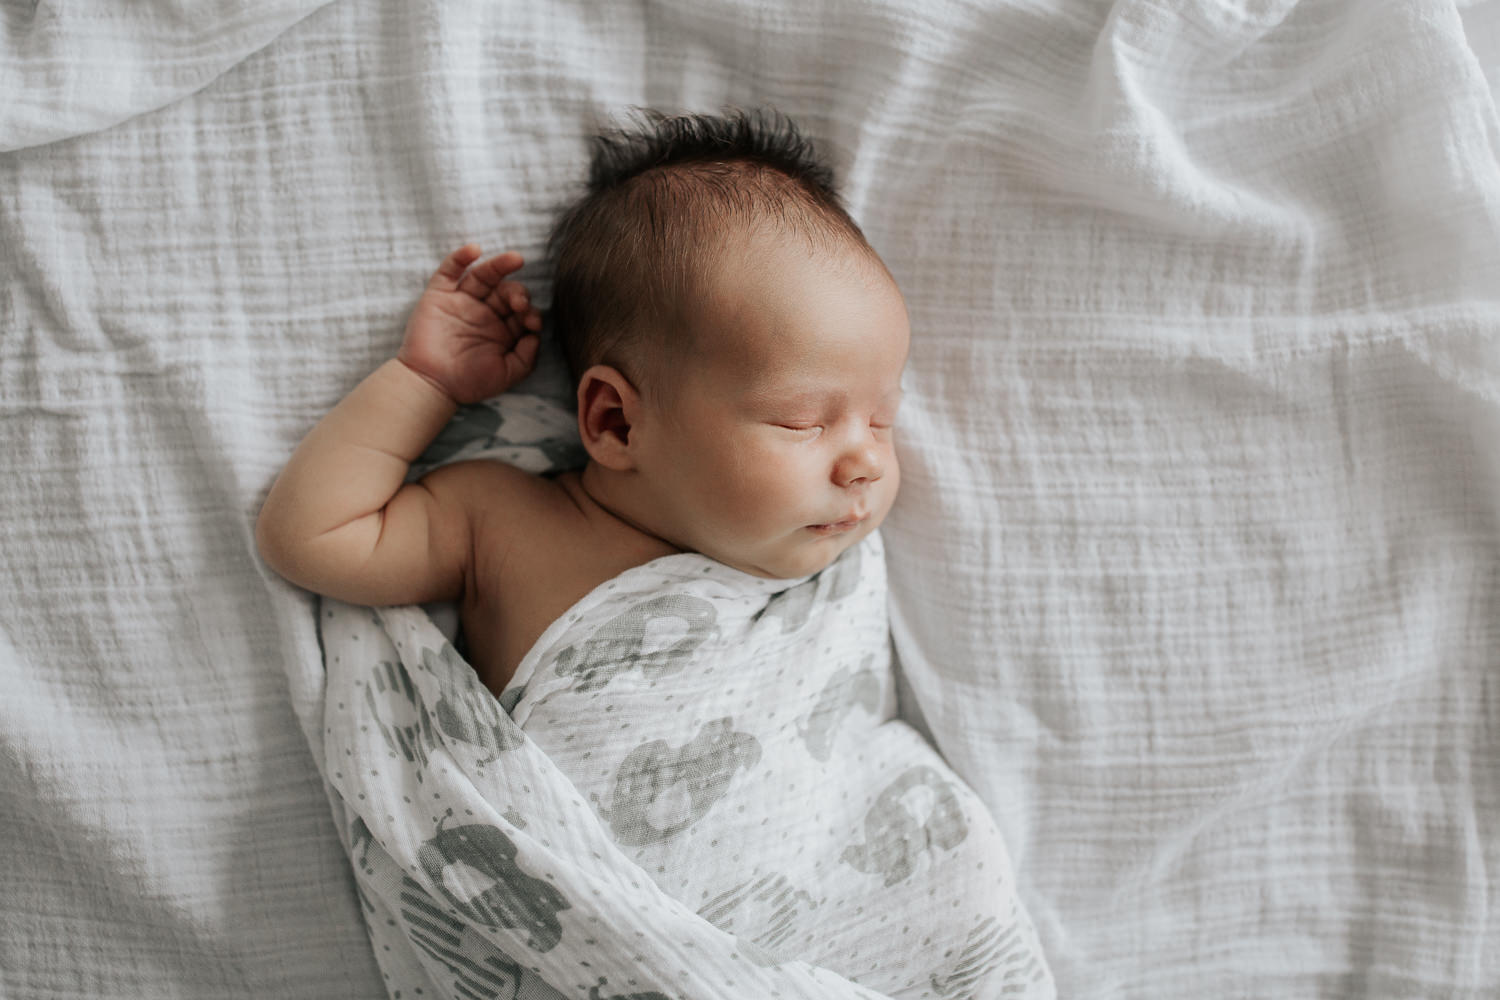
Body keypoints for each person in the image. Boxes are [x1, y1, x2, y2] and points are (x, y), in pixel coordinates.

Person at [257, 110, 1052, 997]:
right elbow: (311, 537)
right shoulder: (506, 523)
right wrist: (425, 384)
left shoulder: (820, 574)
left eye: (882, 418)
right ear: (615, 420)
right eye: (803, 419)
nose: (866, 459)